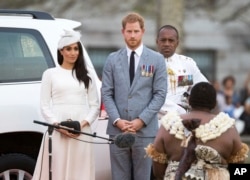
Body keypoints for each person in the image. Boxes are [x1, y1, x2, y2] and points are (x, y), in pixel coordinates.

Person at [101, 12, 168, 180]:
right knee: (119, 176)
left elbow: (160, 94)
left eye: (136, 31)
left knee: (143, 176)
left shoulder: (157, 59)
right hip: (118, 130)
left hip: (145, 131)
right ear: (123, 32)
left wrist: (141, 120)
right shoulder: (112, 59)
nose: (132, 35)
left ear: (143, 32)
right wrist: (117, 120)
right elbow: (106, 92)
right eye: (129, 31)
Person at [32, 30, 100, 180]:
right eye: (68, 49)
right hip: (57, 129)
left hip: (81, 129)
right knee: (57, 168)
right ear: (61, 51)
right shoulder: (50, 74)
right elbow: (44, 105)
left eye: (76, 49)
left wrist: (80, 125)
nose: (73, 52)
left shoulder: (87, 76)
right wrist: (58, 125)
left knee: (80, 171)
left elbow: (95, 106)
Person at [145, 82, 249, 180]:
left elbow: (158, 172)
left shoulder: (168, 124)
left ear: (189, 101)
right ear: (214, 104)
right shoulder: (228, 126)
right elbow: (239, 169)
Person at [156, 25, 208, 116]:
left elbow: (204, 88)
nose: (167, 44)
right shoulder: (147, 64)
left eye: (171, 40)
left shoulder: (187, 63)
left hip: (182, 120)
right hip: (156, 119)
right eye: (163, 40)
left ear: (177, 43)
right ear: (157, 42)